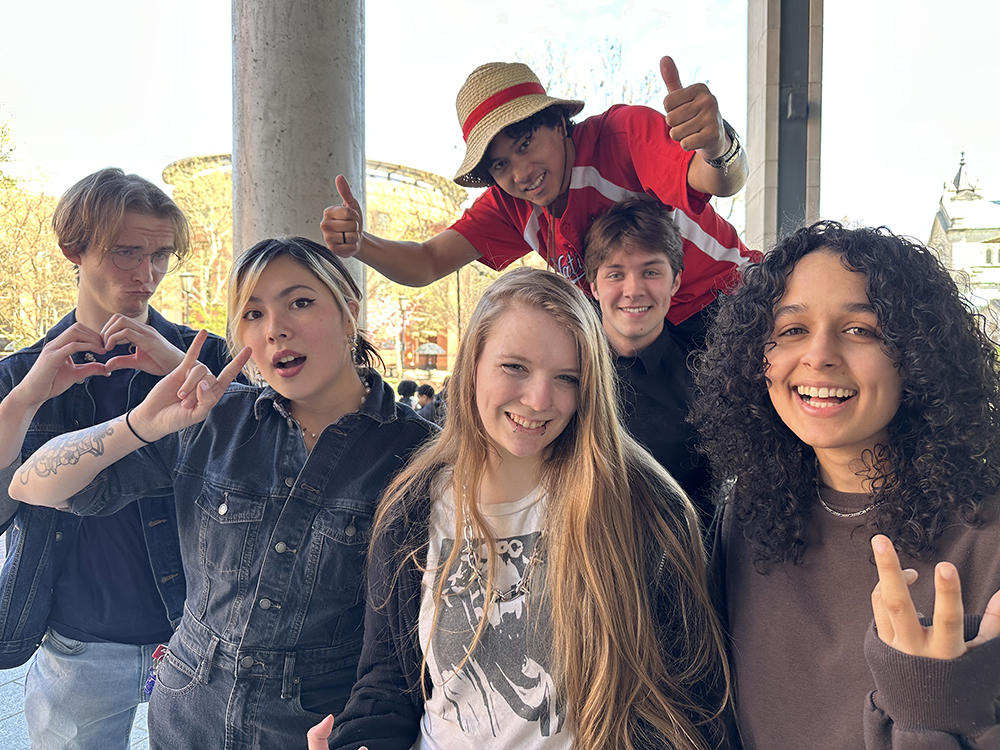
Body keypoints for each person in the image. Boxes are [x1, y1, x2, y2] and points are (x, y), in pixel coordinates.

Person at [9, 237, 436, 749]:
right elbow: (31, 484)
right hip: (188, 718)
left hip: (316, 729)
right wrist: (139, 424)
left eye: (300, 302)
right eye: (253, 313)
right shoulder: (216, 421)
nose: (275, 328)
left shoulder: (420, 454)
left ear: (349, 312)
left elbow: (403, 650)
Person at [310, 267, 733, 750]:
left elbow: (686, 697)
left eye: (567, 378)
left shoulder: (646, 508)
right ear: (472, 364)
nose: (539, 399)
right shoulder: (411, 507)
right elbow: (387, 684)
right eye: (515, 367)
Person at [691, 221, 1000, 748]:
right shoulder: (747, 510)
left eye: (860, 330)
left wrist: (933, 707)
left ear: (917, 357)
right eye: (792, 329)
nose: (819, 355)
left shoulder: (985, 535)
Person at [0, 167, 233, 749]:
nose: (146, 274)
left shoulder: (208, 360)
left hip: (200, 637)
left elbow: (259, 480)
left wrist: (188, 376)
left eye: (160, 255)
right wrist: (24, 401)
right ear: (73, 250)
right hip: (77, 642)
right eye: (126, 251)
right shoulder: (20, 375)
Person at [321, 57, 761, 345]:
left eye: (526, 144)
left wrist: (718, 145)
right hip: (637, 334)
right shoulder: (509, 205)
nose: (520, 174)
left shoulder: (620, 136)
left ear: (559, 122)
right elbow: (427, 262)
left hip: (729, 306)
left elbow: (720, 180)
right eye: (499, 165)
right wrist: (361, 244)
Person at [584, 197, 713, 531]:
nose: (633, 290)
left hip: (681, 554)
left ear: (675, 282)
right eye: (615, 274)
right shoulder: (564, 369)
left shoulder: (708, 382)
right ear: (593, 286)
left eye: (651, 272)